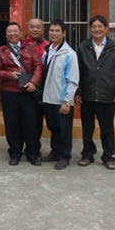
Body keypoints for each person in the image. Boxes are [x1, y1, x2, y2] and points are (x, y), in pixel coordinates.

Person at [75, 14, 115, 170]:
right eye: (94, 27)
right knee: (87, 127)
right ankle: (87, 154)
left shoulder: (114, 47)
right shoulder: (83, 47)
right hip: (87, 95)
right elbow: (77, 72)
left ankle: (108, 156)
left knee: (107, 128)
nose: (97, 29)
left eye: (100, 26)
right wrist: (77, 91)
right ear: (90, 29)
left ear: (105, 28)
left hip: (107, 95)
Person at [0, 22, 43, 166]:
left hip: (28, 91)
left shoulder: (30, 47)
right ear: (6, 35)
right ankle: (15, 153)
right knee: (11, 124)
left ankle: (32, 153)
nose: (13, 34)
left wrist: (33, 82)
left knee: (31, 124)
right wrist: (9, 75)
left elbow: (38, 66)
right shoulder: (1, 50)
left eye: (15, 31)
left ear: (21, 33)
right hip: (9, 92)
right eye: (9, 31)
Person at [41, 20, 79, 170]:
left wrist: (67, 101)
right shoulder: (47, 50)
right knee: (53, 127)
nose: (54, 33)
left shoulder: (69, 54)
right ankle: (55, 152)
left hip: (62, 100)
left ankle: (64, 156)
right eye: (51, 30)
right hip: (48, 98)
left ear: (63, 33)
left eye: (57, 31)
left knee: (64, 130)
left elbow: (73, 80)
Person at [22, 18, 52, 161]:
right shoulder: (20, 44)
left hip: (41, 90)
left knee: (36, 122)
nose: (35, 29)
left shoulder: (48, 46)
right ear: (27, 28)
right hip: (22, 88)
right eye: (32, 27)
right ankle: (19, 148)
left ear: (43, 29)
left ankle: (33, 150)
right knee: (22, 121)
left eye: (38, 27)